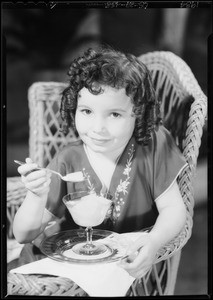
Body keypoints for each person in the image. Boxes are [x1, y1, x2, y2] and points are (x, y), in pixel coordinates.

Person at [12, 46, 187, 279]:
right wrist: (36, 195)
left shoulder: (153, 146)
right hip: (62, 272)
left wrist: (154, 241)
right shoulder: (67, 160)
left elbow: (174, 209)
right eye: (86, 111)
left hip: (123, 269)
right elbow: (23, 234)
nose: (97, 128)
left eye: (115, 114)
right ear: (74, 107)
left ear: (139, 114)